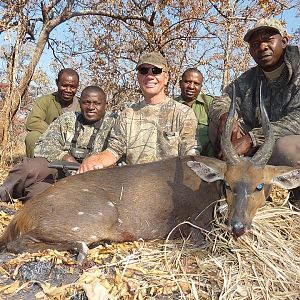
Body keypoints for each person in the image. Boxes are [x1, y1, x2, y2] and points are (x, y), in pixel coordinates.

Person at [208, 18, 300, 201]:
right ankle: (235, 193)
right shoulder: (249, 79)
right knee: (218, 127)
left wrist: (252, 138)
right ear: (250, 50)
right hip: (261, 146)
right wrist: (227, 117)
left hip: (284, 143)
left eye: (268, 40)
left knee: (288, 149)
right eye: (256, 43)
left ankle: (295, 203)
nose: (263, 46)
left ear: (284, 41)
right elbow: (221, 101)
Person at [78, 51, 199, 173]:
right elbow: (114, 151)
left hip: (169, 187)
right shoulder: (127, 115)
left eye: (156, 71)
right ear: (138, 77)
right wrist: (96, 160)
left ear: (166, 77)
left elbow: (190, 153)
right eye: (144, 71)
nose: (150, 76)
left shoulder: (183, 114)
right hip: (133, 185)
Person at [0, 86, 116, 202]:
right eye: (86, 102)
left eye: (97, 103)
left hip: (94, 178)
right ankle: (3, 194)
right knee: (28, 168)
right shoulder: (67, 119)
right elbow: (44, 145)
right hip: (60, 169)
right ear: (80, 103)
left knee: (42, 199)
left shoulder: (115, 123)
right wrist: (66, 158)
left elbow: (118, 153)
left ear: (106, 104)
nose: (91, 107)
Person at [25, 68, 80, 158]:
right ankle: (34, 167)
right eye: (64, 85)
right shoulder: (45, 101)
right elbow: (32, 122)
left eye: (73, 87)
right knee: (32, 137)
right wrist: (53, 132)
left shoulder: (83, 105)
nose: (68, 90)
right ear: (57, 83)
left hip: (74, 143)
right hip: (49, 140)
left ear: (77, 86)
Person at [175, 68, 214, 156]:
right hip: (179, 161)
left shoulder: (209, 103)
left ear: (201, 87)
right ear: (180, 84)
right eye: (188, 82)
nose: (191, 86)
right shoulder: (171, 106)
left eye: (196, 83)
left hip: (208, 160)